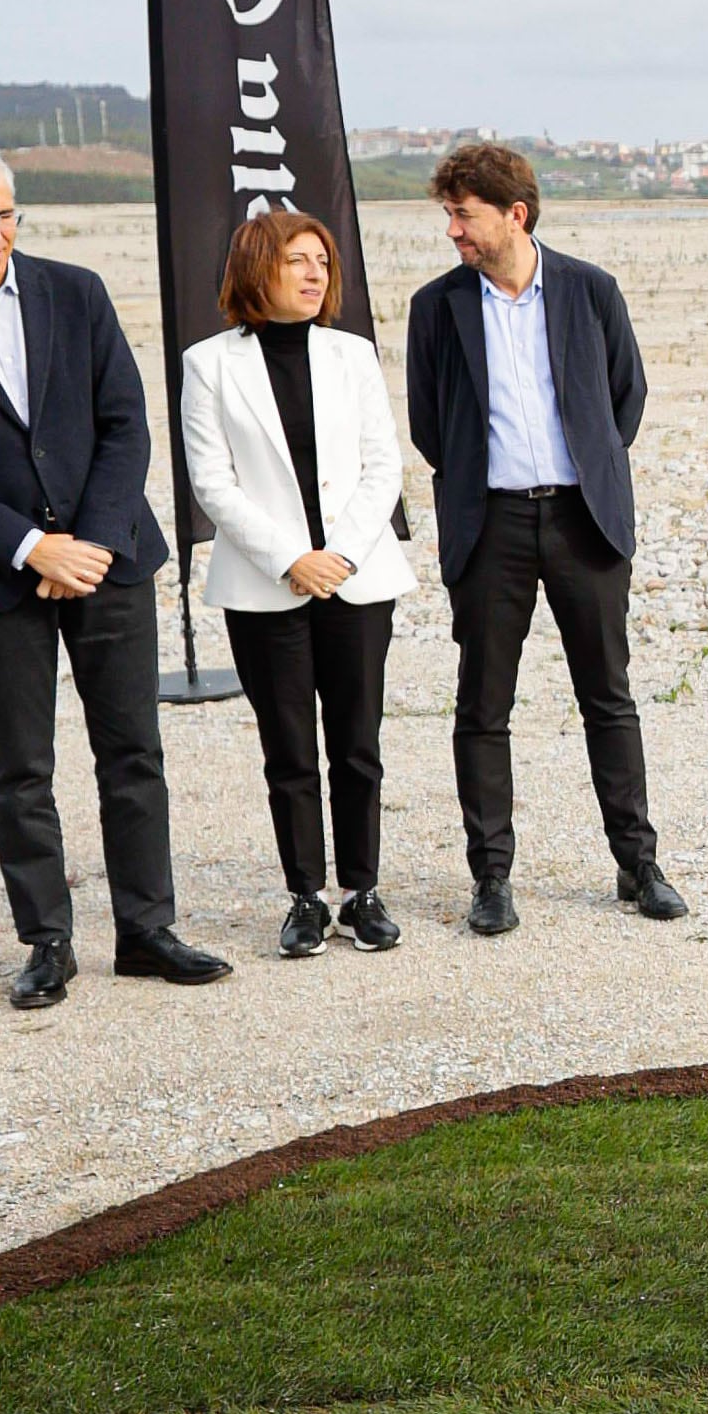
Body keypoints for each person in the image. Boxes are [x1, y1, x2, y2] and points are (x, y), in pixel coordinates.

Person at [0, 145, 232, 1008]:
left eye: (5, 212)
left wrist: (90, 543)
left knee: (133, 752)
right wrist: (33, 546)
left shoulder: (78, 291)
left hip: (110, 560)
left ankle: (146, 930)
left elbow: (125, 424)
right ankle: (48, 942)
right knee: (20, 767)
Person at [402, 140, 684, 935]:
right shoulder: (437, 306)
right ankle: (491, 877)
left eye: (464, 213)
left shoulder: (591, 290)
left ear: (513, 214)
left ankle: (638, 864)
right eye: (449, 213)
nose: (452, 229)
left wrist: (585, 469)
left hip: (582, 520)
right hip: (489, 524)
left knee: (609, 697)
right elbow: (432, 422)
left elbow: (624, 399)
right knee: (483, 705)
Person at [179, 208, 413, 956]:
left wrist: (338, 555)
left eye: (322, 261)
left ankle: (363, 893)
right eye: (297, 261)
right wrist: (291, 558)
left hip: (357, 578)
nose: (315, 274)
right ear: (256, 268)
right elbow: (212, 484)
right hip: (263, 585)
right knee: (288, 747)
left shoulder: (352, 355)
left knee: (357, 743)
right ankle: (304, 897)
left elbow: (385, 467)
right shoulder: (209, 363)